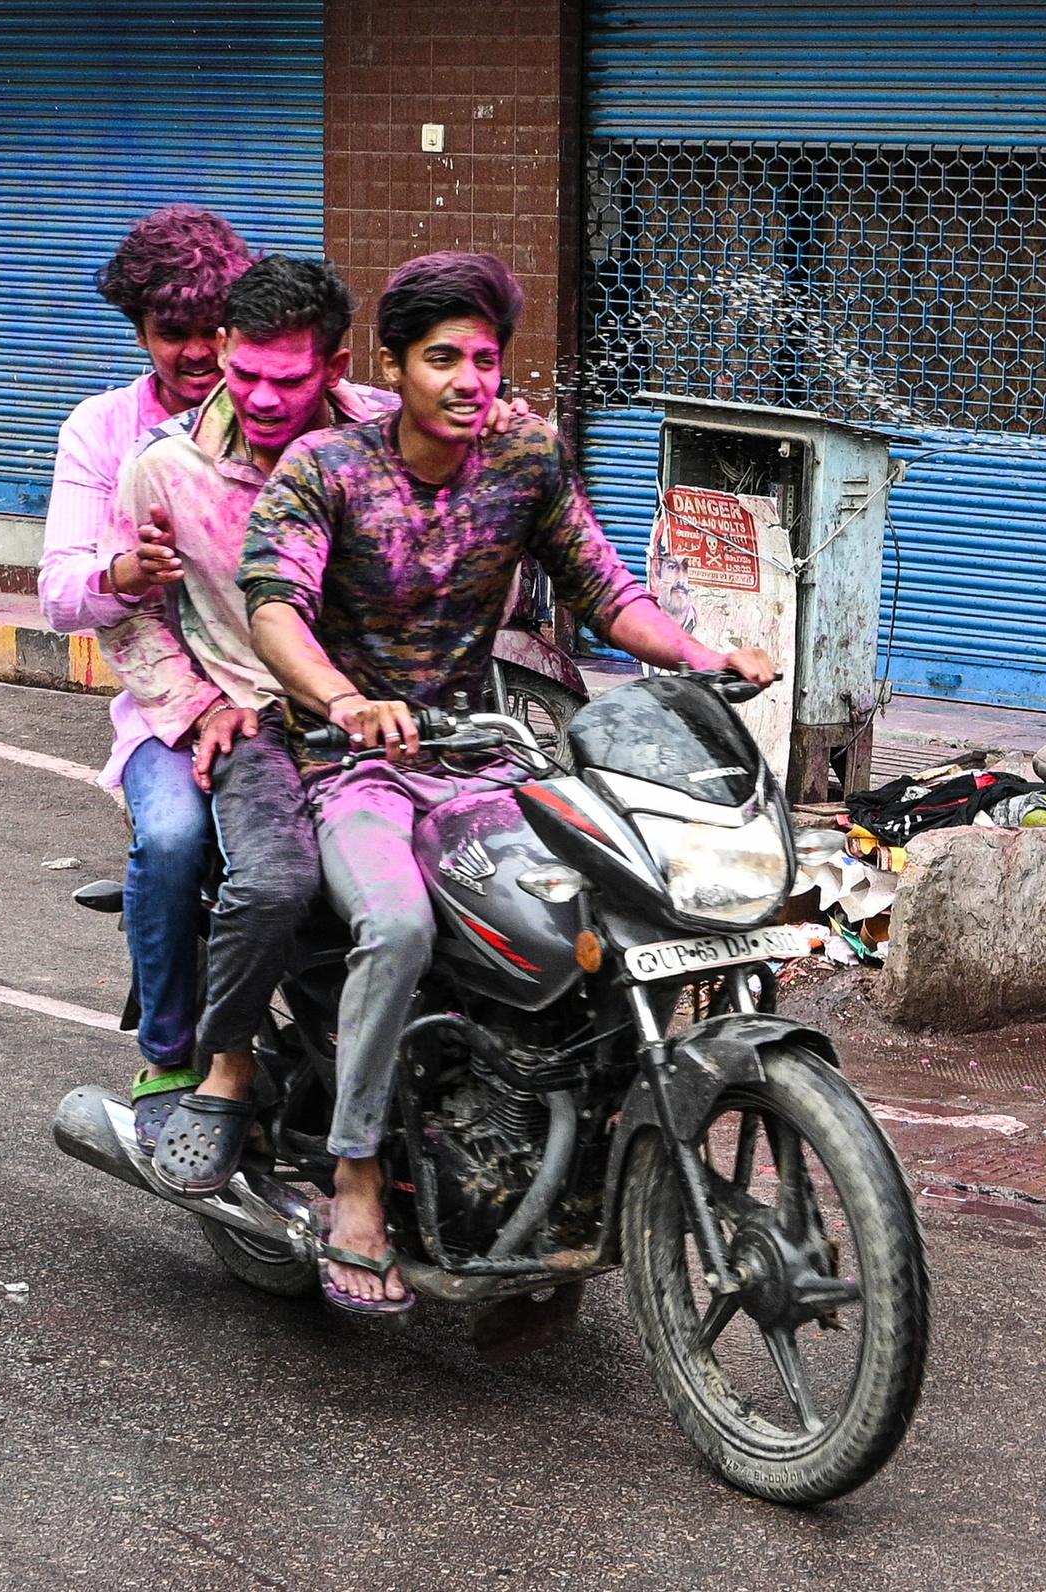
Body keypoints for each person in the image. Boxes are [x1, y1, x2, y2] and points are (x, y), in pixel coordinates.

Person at [241, 251, 776, 1313]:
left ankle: (549, 1160)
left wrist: (699, 656)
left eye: (485, 358)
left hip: (482, 755)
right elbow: (272, 609)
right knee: (393, 928)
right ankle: (354, 1176)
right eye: (443, 358)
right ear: (390, 366)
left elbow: (604, 586)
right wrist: (347, 702)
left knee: (593, 922)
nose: (469, 380)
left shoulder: (525, 456)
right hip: (352, 766)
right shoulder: (325, 468)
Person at [97, 256, 401, 1193]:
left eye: (291, 377)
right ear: (224, 350)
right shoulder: (164, 466)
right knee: (264, 881)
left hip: (392, 726)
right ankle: (215, 1063)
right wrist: (198, 709)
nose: (265, 398)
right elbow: (132, 619)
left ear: (339, 364)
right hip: (255, 725)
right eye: (247, 373)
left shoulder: (392, 440)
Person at [39, 206, 254, 1149]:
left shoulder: (288, 411)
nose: (202, 352)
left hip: (291, 698)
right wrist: (123, 575)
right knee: (171, 841)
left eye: (219, 329)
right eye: (176, 333)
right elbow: (59, 595)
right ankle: (169, 1052)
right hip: (168, 712)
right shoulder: (102, 432)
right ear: (138, 330)